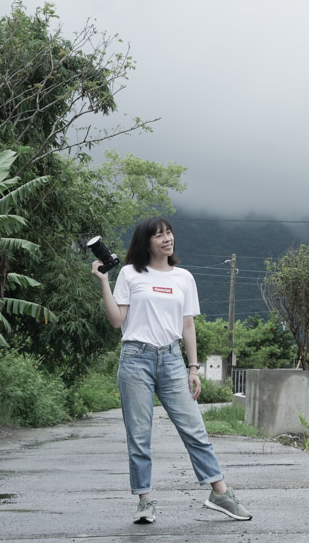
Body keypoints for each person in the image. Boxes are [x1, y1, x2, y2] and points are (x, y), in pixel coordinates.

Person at [92, 216, 252, 524]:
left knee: (195, 429)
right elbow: (116, 321)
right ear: (146, 242)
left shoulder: (184, 278)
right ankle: (144, 500)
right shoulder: (129, 273)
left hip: (172, 359)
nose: (167, 238)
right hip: (135, 358)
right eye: (159, 235)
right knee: (139, 435)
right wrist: (103, 283)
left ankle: (220, 493)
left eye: (169, 233)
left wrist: (193, 367)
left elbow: (188, 325)